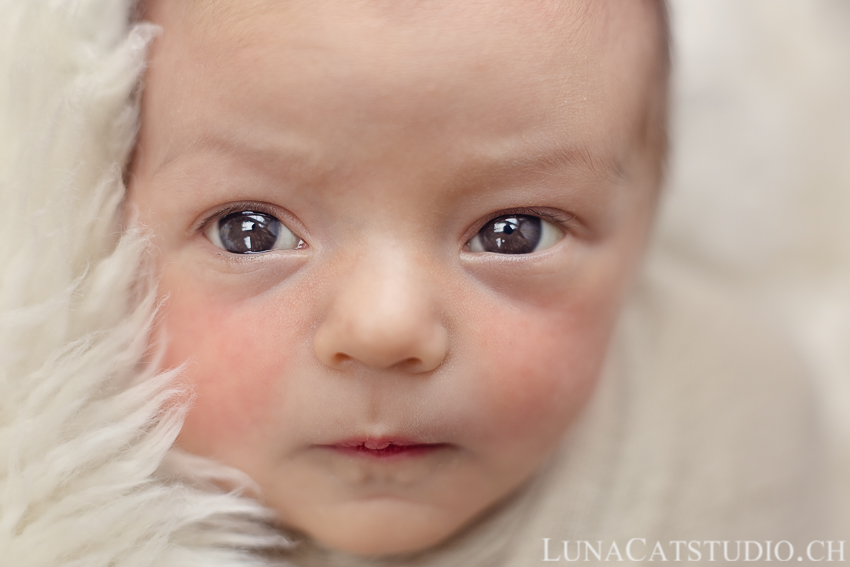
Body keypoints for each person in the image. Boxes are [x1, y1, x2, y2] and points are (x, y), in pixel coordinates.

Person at [0, 1, 835, 565]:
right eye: (249, 230)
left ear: (644, 225)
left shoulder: (728, 417)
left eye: (513, 232)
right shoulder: (51, 485)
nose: (386, 327)